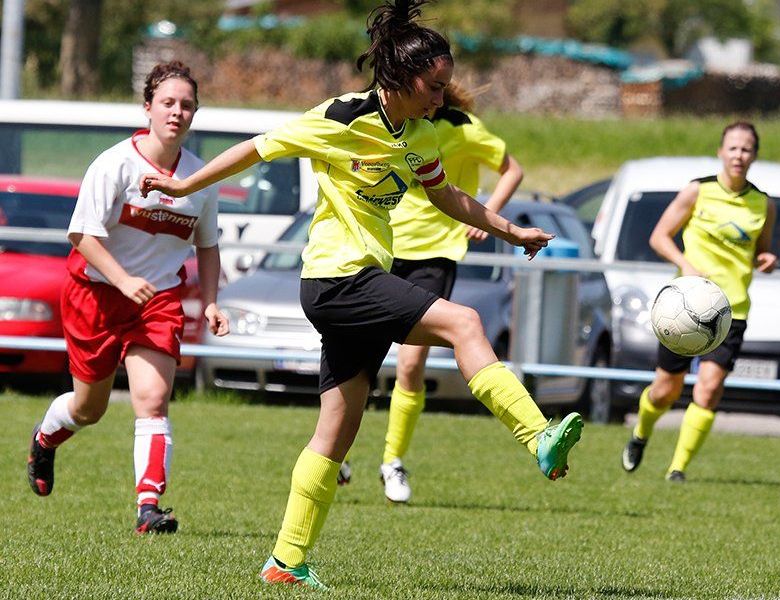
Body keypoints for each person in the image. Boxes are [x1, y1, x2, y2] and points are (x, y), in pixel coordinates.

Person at [140, 0, 582, 588]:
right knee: (466, 323)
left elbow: (447, 197)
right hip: (336, 278)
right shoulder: (340, 118)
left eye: (446, 87)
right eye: (434, 85)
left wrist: (511, 230)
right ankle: (538, 436)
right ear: (400, 76)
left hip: (360, 281)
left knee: (336, 432)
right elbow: (255, 148)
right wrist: (185, 184)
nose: (442, 98)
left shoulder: (421, 133)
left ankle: (286, 561)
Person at [26, 61, 230, 534]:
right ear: (148, 108)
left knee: (153, 399)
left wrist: (213, 300)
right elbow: (82, 234)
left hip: (156, 299)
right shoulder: (116, 162)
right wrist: (120, 280)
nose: (177, 112)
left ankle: (148, 507)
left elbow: (208, 244)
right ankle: (45, 440)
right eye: (168, 103)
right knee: (89, 408)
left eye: (187, 105)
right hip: (94, 295)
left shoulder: (201, 178)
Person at [368, 81, 524, 503]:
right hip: (381, 247)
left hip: (434, 256)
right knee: (355, 358)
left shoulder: (463, 127)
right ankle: (336, 452)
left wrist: (488, 213)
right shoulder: (389, 121)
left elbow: (513, 169)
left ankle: (392, 462)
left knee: (410, 363)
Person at [621, 121, 776, 482]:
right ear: (721, 152)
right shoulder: (697, 191)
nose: (739, 155)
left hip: (730, 310)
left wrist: (766, 260)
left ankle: (678, 469)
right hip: (684, 308)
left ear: (754, 155)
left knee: (708, 388)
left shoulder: (763, 203)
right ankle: (641, 434)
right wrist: (686, 265)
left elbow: (762, 251)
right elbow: (659, 237)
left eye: (747, 149)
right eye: (733, 148)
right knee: (665, 390)